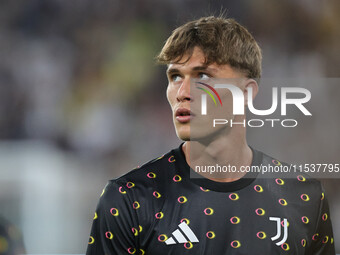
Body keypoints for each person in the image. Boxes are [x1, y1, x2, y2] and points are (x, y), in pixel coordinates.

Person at [86, 16, 335, 254]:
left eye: (202, 76)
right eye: (175, 77)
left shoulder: (304, 198)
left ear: (246, 93)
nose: (182, 92)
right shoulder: (129, 198)